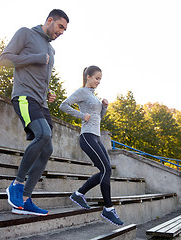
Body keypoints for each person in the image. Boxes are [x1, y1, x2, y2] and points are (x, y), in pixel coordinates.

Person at [0, 9, 69, 216]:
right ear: (49, 20)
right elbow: (4, 59)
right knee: (43, 134)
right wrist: (35, 57)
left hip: (41, 103)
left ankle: (25, 200)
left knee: (47, 150)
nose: (62, 32)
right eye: (60, 27)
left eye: (64, 30)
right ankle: (16, 185)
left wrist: (48, 93)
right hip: (23, 97)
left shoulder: (51, 50)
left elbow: (39, 76)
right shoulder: (25, 34)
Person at [59, 66, 124, 225]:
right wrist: (82, 115)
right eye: (96, 78)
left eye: (100, 79)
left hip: (96, 136)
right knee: (106, 169)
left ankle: (79, 194)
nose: (98, 82)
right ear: (88, 77)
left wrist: (105, 108)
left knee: (105, 170)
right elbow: (64, 105)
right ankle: (108, 209)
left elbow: (97, 118)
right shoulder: (82, 92)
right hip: (87, 136)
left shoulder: (93, 95)